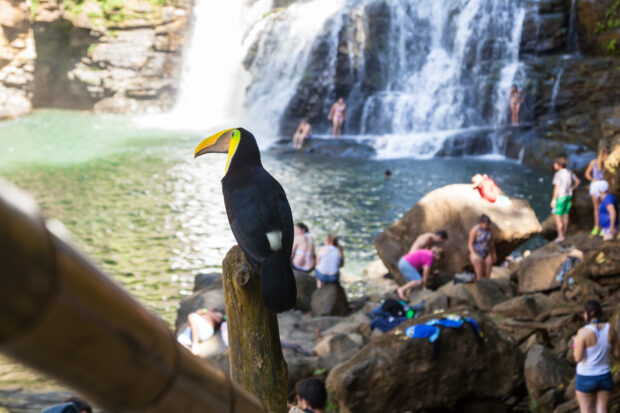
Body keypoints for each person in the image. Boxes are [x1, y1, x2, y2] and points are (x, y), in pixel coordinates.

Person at [573, 300, 620, 413]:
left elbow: (578, 358)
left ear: (587, 313)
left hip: (586, 377)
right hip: (604, 376)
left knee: (586, 411)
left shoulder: (583, 332)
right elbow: (617, 353)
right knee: (602, 410)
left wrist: (575, 344)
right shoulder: (610, 329)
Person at [551, 154, 580, 243]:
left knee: (557, 215)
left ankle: (560, 235)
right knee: (565, 215)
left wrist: (554, 199)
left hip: (561, 196)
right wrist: (573, 188)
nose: (554, 165)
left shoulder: (558, 174)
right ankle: (564, 234)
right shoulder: (569, 172)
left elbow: (556, 188)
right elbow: (578, 181)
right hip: (569, 195)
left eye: (555, 164)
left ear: (559, 165)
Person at [585, 149, 609, 235]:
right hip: (595, 185)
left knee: (604, 207)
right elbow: (587, 174)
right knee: (596, 208)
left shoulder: (607, 164)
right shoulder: (593, 162)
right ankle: (596, 226)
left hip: (603, 185)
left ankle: (604, 227)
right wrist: (592, 179)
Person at [468, 214, 496, 280]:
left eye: (488, 224)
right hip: (476, 253)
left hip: (487, 253)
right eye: (485, 225)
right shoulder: (475, 230)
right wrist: (473, 254)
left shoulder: (490, 229)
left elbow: (491, 242)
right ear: (481, 223)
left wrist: (494, 254)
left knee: (487, 276)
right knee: (479, 276)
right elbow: (470, 244)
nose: (486, 226)